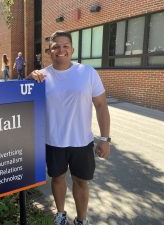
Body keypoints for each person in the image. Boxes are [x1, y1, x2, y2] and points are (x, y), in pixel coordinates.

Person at [27, 30, 110, 225]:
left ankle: (81, 220)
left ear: (72, 50)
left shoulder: (87, 72)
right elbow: (21, 98)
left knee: (81, 182)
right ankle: (61, 214)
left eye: (65, 46)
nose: (60, 50)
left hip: (82, 142)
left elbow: (101, 106)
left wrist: (105, 139)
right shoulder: (41, 77)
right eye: (56, 46)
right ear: (49, 51)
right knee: (57, 180)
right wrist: (28, 79)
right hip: (53, 141)